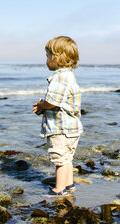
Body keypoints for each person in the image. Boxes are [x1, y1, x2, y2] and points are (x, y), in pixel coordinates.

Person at [33, 36, 83, 196]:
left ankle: (58, 189)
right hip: (72, 128)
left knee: (60, 160)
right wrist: (46, 105)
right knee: (67, 158)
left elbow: (53, 102)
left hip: (61, 129)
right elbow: (61, 101)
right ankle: (69, 185)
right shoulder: (69, 76)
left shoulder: (59, 78)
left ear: (57, 58)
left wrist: (42, 105)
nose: (46, 60)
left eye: (48, 56)